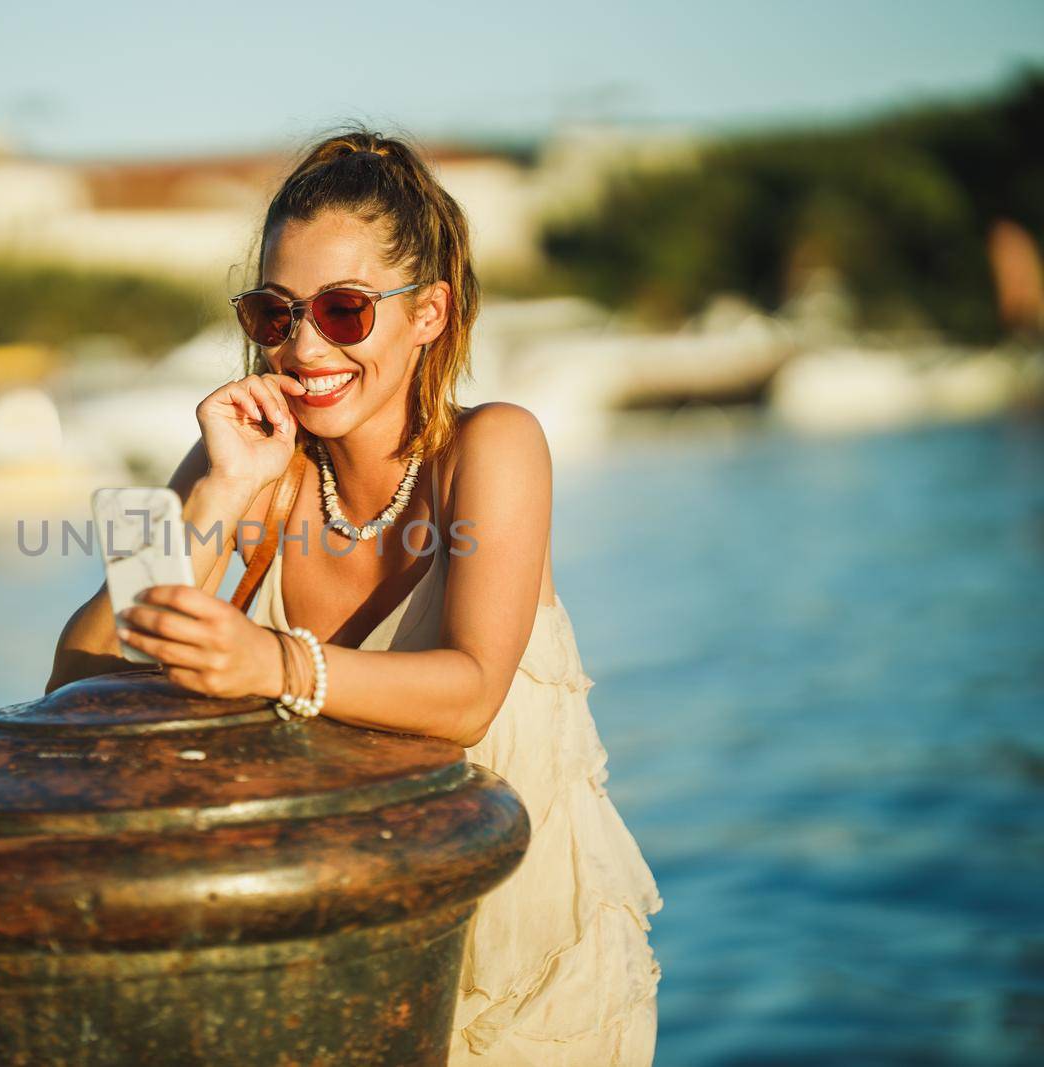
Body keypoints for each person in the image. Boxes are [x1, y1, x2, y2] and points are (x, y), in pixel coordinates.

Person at [47, 127, 663, 1065]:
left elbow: (467, 695)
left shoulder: (494, 448)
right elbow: (75, 684)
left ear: (429, 313)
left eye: (342, 310)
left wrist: (270, 662)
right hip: (326, 993)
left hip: (526, 988)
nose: (302, 346)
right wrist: (217, 493)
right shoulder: (248, 467)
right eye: (272, 313)